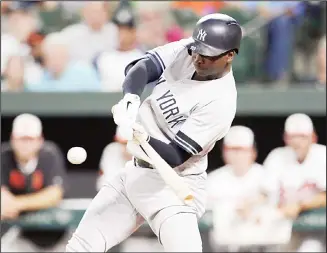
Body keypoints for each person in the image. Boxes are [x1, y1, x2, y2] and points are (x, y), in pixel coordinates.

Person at [66, 13, 242, 252]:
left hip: (175, 185)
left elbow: (176, 156)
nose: (199, 58)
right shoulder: (187, 51)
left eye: (208, 55)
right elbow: (142, 67)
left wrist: (143, 136)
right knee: (81, 247)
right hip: (135, 173)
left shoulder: (221, 101)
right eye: (197, 50)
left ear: (229, 55)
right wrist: (131, 96)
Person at [206, 126, 288, 252]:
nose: (237, 155)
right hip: (224, 248)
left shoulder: (267, 176)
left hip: (264, 247)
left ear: (253, 152)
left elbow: (281, 209)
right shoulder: (212, 180)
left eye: (242, 150)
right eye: (232, 149)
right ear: (224, 152)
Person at [1, 113, 68, 252]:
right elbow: (3, 198)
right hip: (24, 235)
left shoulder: (50, 154)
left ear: (40, 140)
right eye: (21, 139)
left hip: (60, 234)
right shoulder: (4, 156)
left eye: (30, 139)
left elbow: (54, 195)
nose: (26, 144)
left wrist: (17, 204)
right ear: (13, 139)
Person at [263, 113, 326, 252]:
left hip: (316, 231)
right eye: (293, 136)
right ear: (285, 138)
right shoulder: (276, 156)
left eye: (302, 136)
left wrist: (300, 205)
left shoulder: (323, 156)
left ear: (313, 137)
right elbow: (264, 193)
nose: (297, 142)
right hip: (282, 228)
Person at [26, 32, 101, 92]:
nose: (56, 60)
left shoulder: (85, 74)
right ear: (45, 58)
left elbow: (97, 100)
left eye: (60, 55)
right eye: (52, 56)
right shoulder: (39, 79)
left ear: (67, 56)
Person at [95, 2, 143, 92]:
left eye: (126, 30)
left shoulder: (143, 58)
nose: (122, 34)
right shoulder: (102, 58)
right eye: (119, 29)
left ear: (134, 32)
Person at [96, 126, 131, 191]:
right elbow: (102, 173)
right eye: (123, 143)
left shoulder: (143, 152)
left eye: (128, 142)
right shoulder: (110, 149)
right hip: (109, 189)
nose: (126, 146)